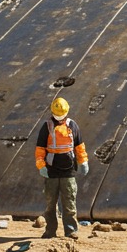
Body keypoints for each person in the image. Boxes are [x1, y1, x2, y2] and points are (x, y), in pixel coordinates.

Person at [34, 97, 89, 239]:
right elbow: (40, 149)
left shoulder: (72, 126)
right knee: (50, 204)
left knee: (69, 202)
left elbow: (79, 147)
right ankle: (50, 231)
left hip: (68, 170)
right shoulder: (46, 127)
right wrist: (41, 165)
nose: (59, 118)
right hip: (51, 171)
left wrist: (83, 161)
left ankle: (71, 231)